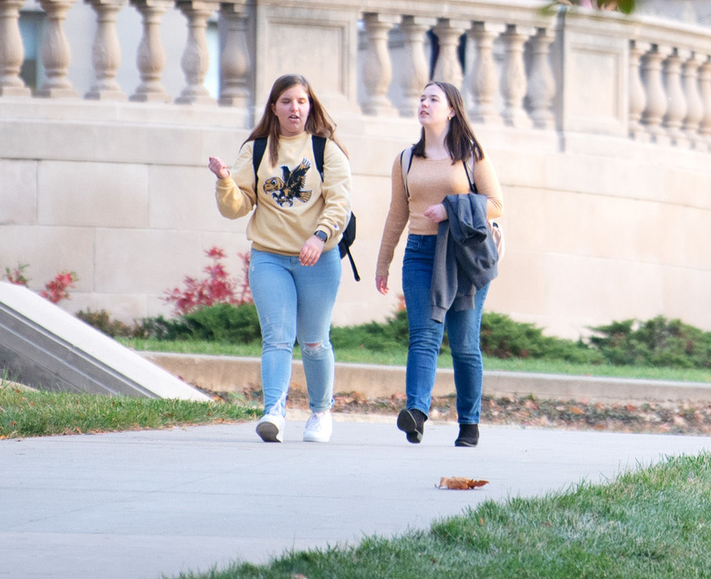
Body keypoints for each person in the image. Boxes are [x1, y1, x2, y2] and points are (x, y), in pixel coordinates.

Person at [208, 74, 355, 443]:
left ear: (310, 106)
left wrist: (320, 236)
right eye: (287, 101)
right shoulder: (257, 149)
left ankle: (321, 413)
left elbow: (340, 201)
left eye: (302, 101)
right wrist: (226, 180)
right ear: (274, 107)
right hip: (270, 257)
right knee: (276, 338)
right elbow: (237, 207)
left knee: (314, 341)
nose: (295, 108)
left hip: (318, 258)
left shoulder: (326, 149)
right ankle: (273, 412)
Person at [375, 80, 505, 447]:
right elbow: (397, 213)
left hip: (463, 255)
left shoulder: (471, 156)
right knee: (424, 336)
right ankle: (415, 413)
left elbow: (496, 203)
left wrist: (449, 209)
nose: (424, 103)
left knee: (464, 343)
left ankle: (469, 423)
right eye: (421, 97)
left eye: (433, 98)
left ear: (451, 110)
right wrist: (383, 262)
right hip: (419, 252)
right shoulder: (405, 160)